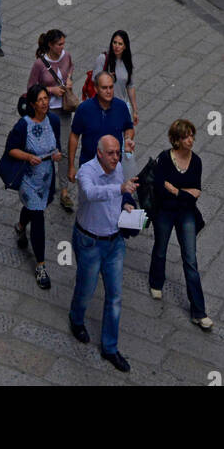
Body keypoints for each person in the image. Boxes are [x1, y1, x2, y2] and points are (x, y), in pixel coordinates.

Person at [68, 135, 138, 371]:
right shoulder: (86, 172)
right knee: (85, 291)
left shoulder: (118, 166)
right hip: (90, 241)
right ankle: (76, 319)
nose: (115, 158)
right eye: (111, 153)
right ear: (99, 153)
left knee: (115, 296)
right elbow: (90, 194)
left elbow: (126, 184)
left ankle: (110, 347)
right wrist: (119, 188)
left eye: (117, 153)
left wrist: (125, 202)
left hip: (114, 241)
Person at [148, 119, 212, 328]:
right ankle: (156, 281)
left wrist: (175, 191)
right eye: (186, 137)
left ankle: (198, 311)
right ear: (176, 140)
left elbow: (195, 193)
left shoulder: (197, 162)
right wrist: (183, 193)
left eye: (192, 135)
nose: (190, 140)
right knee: (160, 249)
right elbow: (158, 186)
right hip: (165, 212)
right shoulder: (165, 159)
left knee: (190, 260)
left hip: (186, 213)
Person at [6, 84, 62, 289]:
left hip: (46, 180)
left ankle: (20, 226)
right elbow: (11, 149)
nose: (44, 102)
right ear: (32, 104)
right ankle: (41, 265)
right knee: (38, 218)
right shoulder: (24, 125)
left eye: (46, 98)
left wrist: (57, 155)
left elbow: (58, 147)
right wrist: (29, 156)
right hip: (29, 181)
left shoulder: (54, 121)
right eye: (40, 100)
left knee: (32, 211)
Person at [28, 29, 75, 211]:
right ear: (50, 45)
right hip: (45, 112)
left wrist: (69, 80)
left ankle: (64, 190)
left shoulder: (66, 56)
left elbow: (70, 67)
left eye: (63, 43)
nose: (62, 47)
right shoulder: (39, 64)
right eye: (59, 44)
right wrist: (50, 91)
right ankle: (42, 182)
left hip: (63, 109)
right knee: (44, 149)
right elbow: (31, 88)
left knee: (63, 149)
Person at [69, 71, 135, 180]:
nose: (108, 91)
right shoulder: (84, 109)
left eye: (111, 87)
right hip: (89, 168)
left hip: (113, 168)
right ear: (96, 89)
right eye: (104, 88)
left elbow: (128, 127)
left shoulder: (121, 107)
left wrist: (128, 138)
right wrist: (71, 166)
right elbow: (74, 136)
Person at [93, 31, 138, 131]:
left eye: (120, 44)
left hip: (122, 106)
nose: (116, 46)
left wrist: (135, 110)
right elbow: (95, 81)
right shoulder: (103, 59)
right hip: (105, 107)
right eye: (114, 42)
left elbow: (130, 86)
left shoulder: (127, 63)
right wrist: (107, 78)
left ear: (125, 46)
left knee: (121, 139)